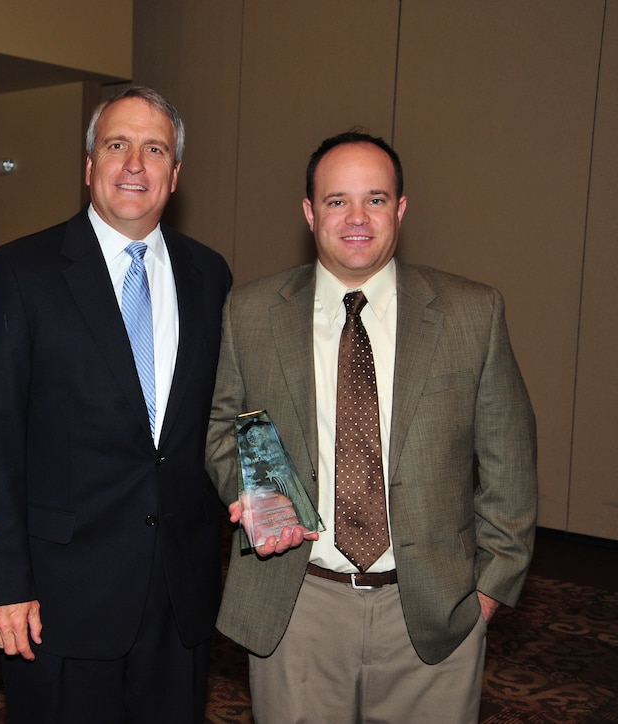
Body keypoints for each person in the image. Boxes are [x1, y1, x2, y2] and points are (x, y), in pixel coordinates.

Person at [205, 130, 537, 722]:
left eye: (375, 200)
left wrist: (488, 590)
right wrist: (262, 501)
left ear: (400, 210)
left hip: (434, 611)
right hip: (298, 603)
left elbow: (509, 454)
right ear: (309, 213)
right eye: (337, 201)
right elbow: (222, 430)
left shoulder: (471, 311)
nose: (356, 218)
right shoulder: (250, 311)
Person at [0, 86, 232, 722]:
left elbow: (218, 419)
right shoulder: (21, 271)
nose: (135, 164)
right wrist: (2, 583)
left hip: (178, 596)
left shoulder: (210, 276)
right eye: (117, 145)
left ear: (175, 173)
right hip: (59, 600)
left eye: (154, 149)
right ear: (89, 167)